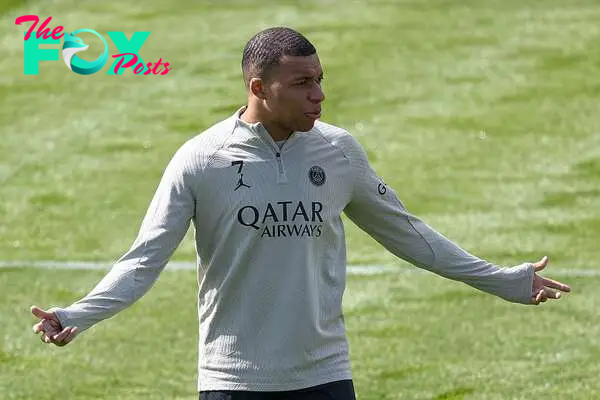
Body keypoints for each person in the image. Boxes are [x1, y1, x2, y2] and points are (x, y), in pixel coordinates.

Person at [31, 27, 571, 400]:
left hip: (325, 376)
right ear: (259, 89)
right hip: (233, 381)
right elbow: (144, 259)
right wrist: (78, 314)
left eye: (320, 80)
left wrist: (504, 281)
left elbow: (410, 235)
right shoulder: (200, 159)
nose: (319, 96)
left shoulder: (338, 152)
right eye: (302, 84)